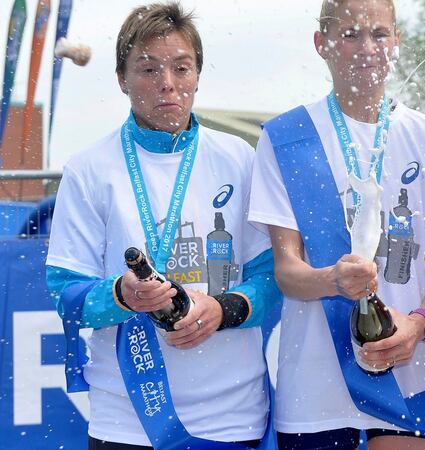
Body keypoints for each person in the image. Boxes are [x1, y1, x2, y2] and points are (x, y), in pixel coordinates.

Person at [46, 3, 280, 448]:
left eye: (181, 67)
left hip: (233, 415)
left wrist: (222, 309)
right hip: (127, 419)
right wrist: (123, 295)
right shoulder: (89, 168)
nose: (167, 83)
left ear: (197, 75)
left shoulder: (240, 159)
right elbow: (65, 294)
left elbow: (272, 280)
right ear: (122, 78)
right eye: (148, 69)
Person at [248, 0, 425, 449]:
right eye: (350, 35)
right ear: (322, 44)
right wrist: (333, 279)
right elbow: (287, 273)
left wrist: (420, 322)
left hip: (410, 373)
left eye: (379, 34)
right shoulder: (286, 137)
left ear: (397, 40)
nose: (367, 47)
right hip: (316, 389)